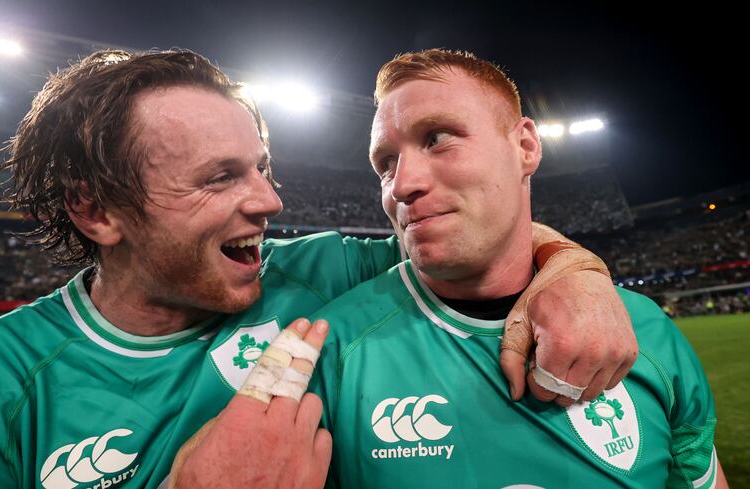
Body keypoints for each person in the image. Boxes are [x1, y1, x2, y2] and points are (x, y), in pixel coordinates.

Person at [0, 49, 635, 489]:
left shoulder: (324, 272)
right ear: (96, 210)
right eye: (220, 178)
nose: (271, 200)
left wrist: (576, 269)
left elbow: (483, 237)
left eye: (263, 168)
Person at [308, 49, 728, 488]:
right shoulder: (330, 352)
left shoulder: (645, 329)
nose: (402, 184)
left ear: (525, 146)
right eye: (384, 164)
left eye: (437, 138)